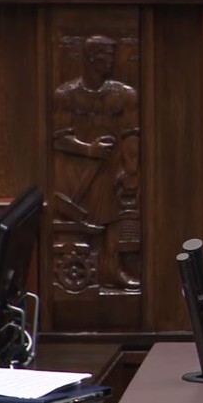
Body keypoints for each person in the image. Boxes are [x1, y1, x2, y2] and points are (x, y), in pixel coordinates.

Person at [52, 35, 141, 290]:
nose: (110, 61)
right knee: (80, 224)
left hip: (111, 168)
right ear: (91, 59)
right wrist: (89, 149)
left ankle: (111, 269)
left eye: (113, 56)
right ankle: (80, 275)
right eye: (105, 56)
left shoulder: (124, 94)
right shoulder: (66, 95)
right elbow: (59, 138)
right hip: (76, 171)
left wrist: (131, 169)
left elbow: (131, 134)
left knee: (114, 219)